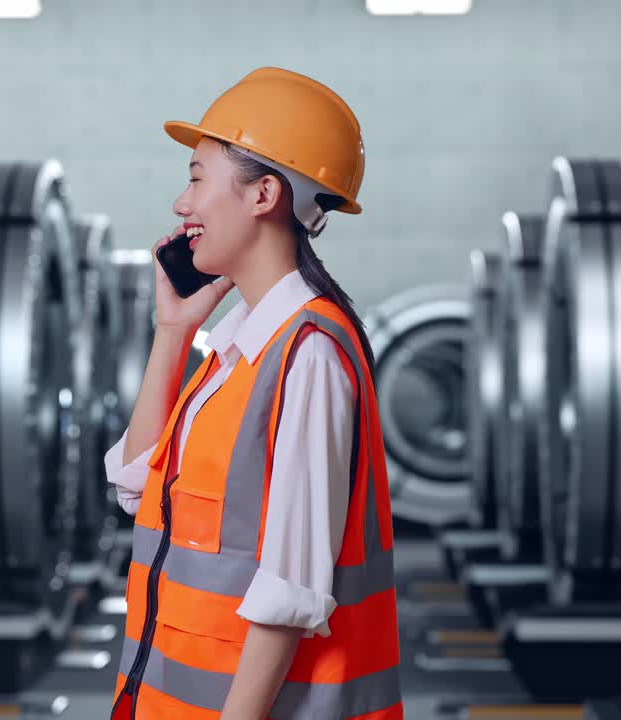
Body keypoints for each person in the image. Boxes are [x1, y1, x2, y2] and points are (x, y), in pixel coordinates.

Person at [106, 67, 403, 720]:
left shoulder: (308, 354)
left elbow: (289, 595)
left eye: (195, 178)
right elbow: (136, 486)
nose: (182, 206)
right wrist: (174, 332)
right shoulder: (240, 348)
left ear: (263, 193)